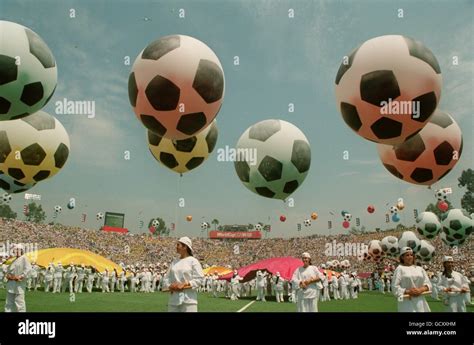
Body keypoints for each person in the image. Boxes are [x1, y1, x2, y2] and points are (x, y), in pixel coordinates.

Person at [163, 237, 204, 312]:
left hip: (189, 300)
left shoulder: (193, 261)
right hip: (173, 300)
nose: (176, 247)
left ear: (185, 246)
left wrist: (185, 284)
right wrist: (170, 286)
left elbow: (199, 279)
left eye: (178, 245)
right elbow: (166, 278)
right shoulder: (174, 262)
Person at [391, 247, 431, 312]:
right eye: (407, 255)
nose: (410, 257)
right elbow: (394, 287)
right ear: (402, 257)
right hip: (406, 301)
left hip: (420, 301)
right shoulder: (399, 269)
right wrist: (408, 291)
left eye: (411, 255)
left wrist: (420, 290)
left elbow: (428, 284)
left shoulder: (420, 269)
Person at [5, 244, 31, 312]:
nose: (15, 251)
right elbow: (8, 270)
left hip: (19, 283)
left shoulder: (24, 258)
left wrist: (21, 276)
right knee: (9, 302)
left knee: (19, 303)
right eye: (15, 250)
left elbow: (28, 269)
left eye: (17, 250)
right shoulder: (14, 259)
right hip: (11, 283)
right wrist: (8, 275)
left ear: (21, 250)